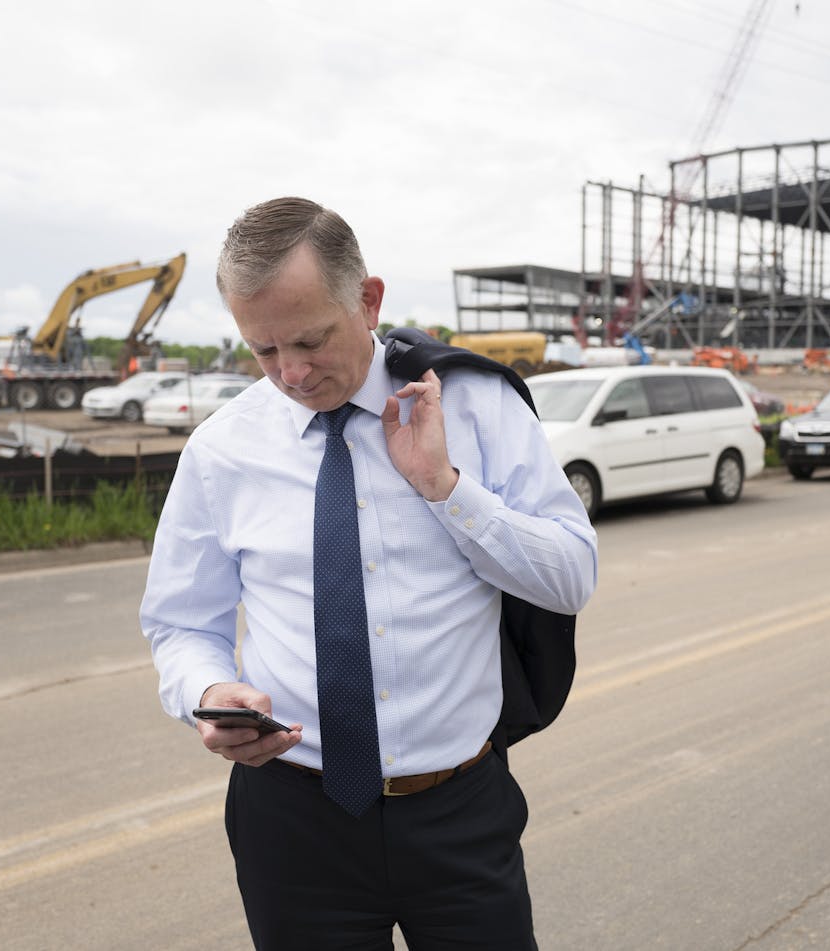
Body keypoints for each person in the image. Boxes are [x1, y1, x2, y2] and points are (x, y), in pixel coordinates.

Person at [141, 197, 598, 950]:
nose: (290, 371)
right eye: (263, 350)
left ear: (369, 299)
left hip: (458, 812)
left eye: (311, 339)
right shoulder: (222, 450)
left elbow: (570, 575)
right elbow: (182, 622)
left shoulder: (474, 405)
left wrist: (447, 488)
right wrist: (207, 690)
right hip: (293, 822)